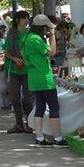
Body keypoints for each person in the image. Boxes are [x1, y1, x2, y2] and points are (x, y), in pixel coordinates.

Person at [25, 14, 65, 147]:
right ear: (42, 27)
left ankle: (39, 138)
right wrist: (52, 35)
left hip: (34, 78)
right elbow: (52, 52)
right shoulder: (36, 39)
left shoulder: (28, 37)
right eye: (47, 28)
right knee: (54, 107)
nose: (48, 30)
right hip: (44, 77)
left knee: (40, 107)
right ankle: (58, 139)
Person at [4, 11, 34, 134]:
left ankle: (29, 123)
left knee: (28, 99)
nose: (26, 20)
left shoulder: (30, 33)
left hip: (27, 70)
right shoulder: (11, 33)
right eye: (23, 18)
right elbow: (6, 51)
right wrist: (15, 59)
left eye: (27, 18)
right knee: (15, 98)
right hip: (15, 70)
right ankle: (19, 124)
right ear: (17, 20)